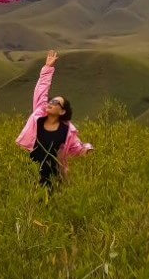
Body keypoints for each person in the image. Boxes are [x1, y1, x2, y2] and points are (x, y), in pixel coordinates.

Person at [16, 50, 94, 190]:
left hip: (56, 175)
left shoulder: (67, 130)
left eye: (56, 103)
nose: (51, 103)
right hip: (32, 170)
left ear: (63, 111)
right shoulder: (39, 115)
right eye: (51, 101)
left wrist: (88, 149)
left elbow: (77, 149)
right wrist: (47, 68)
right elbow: (41, 90)